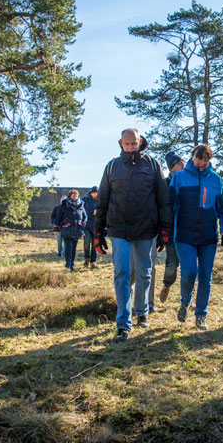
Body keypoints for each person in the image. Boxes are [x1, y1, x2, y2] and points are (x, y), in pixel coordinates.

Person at [95, 128, 171, 342]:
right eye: (127, 144)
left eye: (134, 144)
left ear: (140, 142)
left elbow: (163, 200)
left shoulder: (152, 165)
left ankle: (142, 311)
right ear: (121, 143)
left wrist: (165, 230)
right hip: (119, 229)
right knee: (121, 273)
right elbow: (101, 201)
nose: (131, 147)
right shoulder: (111, 167)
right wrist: (98, 233)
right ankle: (123, 323)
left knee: (145, 273)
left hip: (146, 229)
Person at [170, 144, 223, 330]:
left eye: (206, 159)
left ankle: (201, 314)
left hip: (208, 236)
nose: (202, 163)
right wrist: (165, 232)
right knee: (189, 273)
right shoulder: (179, 178)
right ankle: (185, 302)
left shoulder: (216, 180)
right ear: (192, 156)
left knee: (205, 275)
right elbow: (170, 207)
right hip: (184, 235)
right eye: (199, 158)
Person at [158, 151, 184, 303]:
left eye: (182, 162)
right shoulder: (165, 184)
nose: (183, 165)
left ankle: (186, 299)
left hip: (188, 230)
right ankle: (167, 285)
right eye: (179, 163)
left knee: (189, 269)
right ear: (172, 167)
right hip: (172, 232)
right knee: (172, 265)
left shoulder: (189, 180)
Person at [57, 189, 87, 271]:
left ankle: (72, 265)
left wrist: (83, 224)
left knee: (74, 249)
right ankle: (68, 265)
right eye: (73, 195)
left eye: (76, 195)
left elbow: (85, 217)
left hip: (77, 230)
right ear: (69, 196)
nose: (74, 197)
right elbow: (58, 217)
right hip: (67, 230)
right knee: (68, 248)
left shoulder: (81, 205)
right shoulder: (64, 205)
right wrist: (57, 227)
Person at [82, 186, 99, 269]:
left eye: (97, 193)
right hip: (86, 225)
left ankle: (93, 261)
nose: (96, 194)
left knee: (95, 245)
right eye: (95, 193)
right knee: (87, 242)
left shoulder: (100, 201)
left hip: (96, 226)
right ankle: (86, 258)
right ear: (91, 193)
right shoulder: (85, 200)